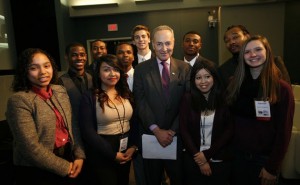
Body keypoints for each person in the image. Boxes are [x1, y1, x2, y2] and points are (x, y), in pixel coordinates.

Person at [6, 48, 85, 185]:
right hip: (36, 169)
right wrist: (65, 167)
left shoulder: (59, 90)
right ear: (25, 71)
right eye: (34, 68)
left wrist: (79, 155)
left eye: (46, 66)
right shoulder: (19, 100)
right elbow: (29, 147)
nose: (43, 72)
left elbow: (72, 126)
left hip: (67, 156)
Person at [225, 35, 295, 185]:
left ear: (267, 52)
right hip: (236, 157)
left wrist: (271, 167)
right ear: (242, 56)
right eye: (247, 52)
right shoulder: (234, 84)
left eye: (258, 49)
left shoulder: (281, 88)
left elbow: (284, 132)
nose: (253, 55)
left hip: (263, 161)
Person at [133, 25, 191, 185]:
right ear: (152, 44)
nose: (164, 48)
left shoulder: (185, 68)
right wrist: (156, 130)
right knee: (152, 180)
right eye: (159, 44)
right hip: (151, 136)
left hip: (177, 137)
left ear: (174, 43)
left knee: (179, 179)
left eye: (167, 43)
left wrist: (172, 130)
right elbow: (140, 102)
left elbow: (187, 104)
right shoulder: (140, 69)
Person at [78, 54, 137, 185]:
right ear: (98, 74)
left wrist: (133, 146)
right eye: (106, 69)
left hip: (126, 149)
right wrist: (112, 154)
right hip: (101, 150)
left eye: (116, 69)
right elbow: (87, 131)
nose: (112, 73)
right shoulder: (89, 96)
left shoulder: (125, 93)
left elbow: (134, 122)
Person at [179, 59, 233, 185]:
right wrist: (200, 158)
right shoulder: (188, 99)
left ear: (214, 77)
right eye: (198, 78)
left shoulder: (224, 98)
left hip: (220, 159)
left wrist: (207, 155)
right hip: (193, 159)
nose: (203, 82)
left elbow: (229, 130)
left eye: (207, 76)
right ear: (193, 80)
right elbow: (184, 129)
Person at [219, 25, 290, 87]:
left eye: (235, 37)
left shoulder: (274, 62)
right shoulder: (224, 69)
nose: (231, 42)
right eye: (227, 40)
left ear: (247, 36)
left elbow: (287, 92)